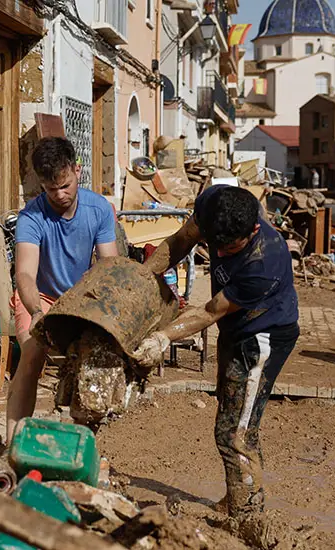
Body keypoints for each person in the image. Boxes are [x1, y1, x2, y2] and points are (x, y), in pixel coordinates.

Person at [133, 185, 300, 520]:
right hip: (235, 329)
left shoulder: (264, 261)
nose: (220, 254)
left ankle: (246, 519)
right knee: (234, 414)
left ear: (253, 230)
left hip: (263, 337)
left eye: (229, 248)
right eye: (214, 245)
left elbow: (210, 311)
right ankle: (240, 495)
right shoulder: (214, 204)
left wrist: (163, 337)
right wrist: (139, 279)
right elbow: (180, 240)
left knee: (234, 432)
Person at [6, 137, 118, 442]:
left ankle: (81, 442)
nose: (59, 194)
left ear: (77, 170)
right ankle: (13, 443)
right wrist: (37, 313)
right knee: (30, 354)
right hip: (40, 297)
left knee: (94, 362)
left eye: (65, 185)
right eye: (50, 188)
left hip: (82, 298)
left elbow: (109, 267)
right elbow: (25, 275)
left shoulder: (100, 209)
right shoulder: (31, 216)